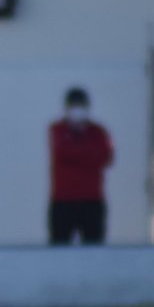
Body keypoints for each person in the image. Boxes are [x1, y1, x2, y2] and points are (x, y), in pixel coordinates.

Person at [48, 87, 114, 245]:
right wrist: (88, 152)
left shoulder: (98, 131)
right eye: (73, 106)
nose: (77, 110)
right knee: (59, 249)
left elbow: (106, 157)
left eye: (81, 106)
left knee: (94, 247)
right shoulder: (57, 130)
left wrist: (78, 149)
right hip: (63, 201)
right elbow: (62, 152)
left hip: (92, 201)